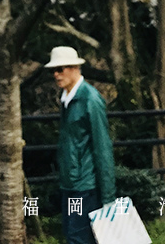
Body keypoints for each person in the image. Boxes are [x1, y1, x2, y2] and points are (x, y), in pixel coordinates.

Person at [45, 46, 116, 244]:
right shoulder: (68, 99)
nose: (56, 74)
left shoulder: (90, 100)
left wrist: (108, 195)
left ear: (75, 67)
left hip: (85, 185)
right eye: (54, 70)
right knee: (73, 234)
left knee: (79, 237)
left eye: (61, 69)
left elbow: (102, 147)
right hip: (71, 183)